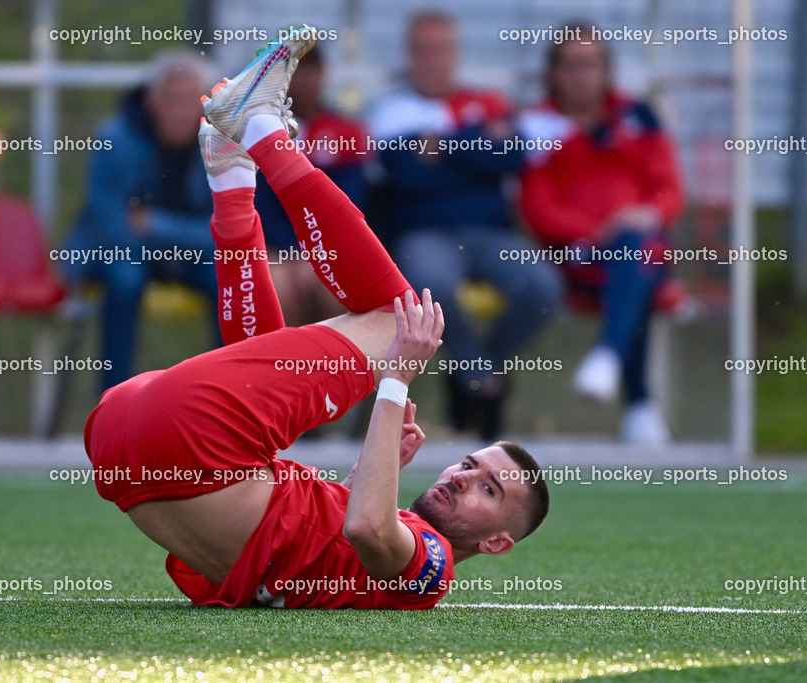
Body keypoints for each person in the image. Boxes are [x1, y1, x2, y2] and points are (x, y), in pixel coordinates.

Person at [83, 28, 549, 610]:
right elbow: (314, 540)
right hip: (123, 442)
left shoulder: (432, 569)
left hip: (178, 436)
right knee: (273, 369)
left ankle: (259, 132)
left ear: (499, 542)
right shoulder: (366, 560)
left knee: (397, 319)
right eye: (470, 463)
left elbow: (369, 531)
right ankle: (232, 175)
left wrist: (396, 380)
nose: (460, 476)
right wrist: (364, 475)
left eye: (488, 488)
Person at [367, 11, 563, 439]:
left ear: (456, 54)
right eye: (423, 50)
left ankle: (473, 373)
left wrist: (442, 146)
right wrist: (475, 144)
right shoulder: (390, 110)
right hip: (424, 232)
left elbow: (510, 156)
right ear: (410, 55)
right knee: (428, 283)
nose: (433, 60)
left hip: (492, 233)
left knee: (543, 288)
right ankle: (485, 384)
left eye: (441, 49)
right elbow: (406, 175)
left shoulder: (487, 101)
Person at [517, 25, 685, 444]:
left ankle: (610, 358)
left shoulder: (639, 117)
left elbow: (669, 188)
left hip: (639, 246)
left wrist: (649, 212)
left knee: (635, 251)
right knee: (634, 261)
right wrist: (599, 233)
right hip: (575, 257)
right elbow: (537, 208)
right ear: (553, 73)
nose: (580, 75)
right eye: (570, 65)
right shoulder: (538, 126)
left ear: (607, 70)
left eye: (589, 64)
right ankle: (639, 403)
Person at [62, 50, 219, 391]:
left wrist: (155, 225)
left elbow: (228, 231)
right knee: (124, 280)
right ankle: (114, 405)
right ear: (151, 100)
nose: (180, 112)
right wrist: (184, 235)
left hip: (178, 251)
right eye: (171, 99)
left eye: (190, 101)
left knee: (230, 276)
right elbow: (112, 230)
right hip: (116, 253)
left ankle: (235, 404)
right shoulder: (115, 138)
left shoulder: (218, 143)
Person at [253, 45, 368, 327]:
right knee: (273, 290)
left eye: (310, 70)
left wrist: (314, 254)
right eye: (293, 71)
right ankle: (278, 369)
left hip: (327, 246)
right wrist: (294, 253)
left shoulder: (345, 133)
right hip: (275, 247)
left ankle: (327, 369)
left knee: (336, 290)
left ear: (323, 75)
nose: (302, 80)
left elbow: (347, 207)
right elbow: (259, 206)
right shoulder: (258, 131)